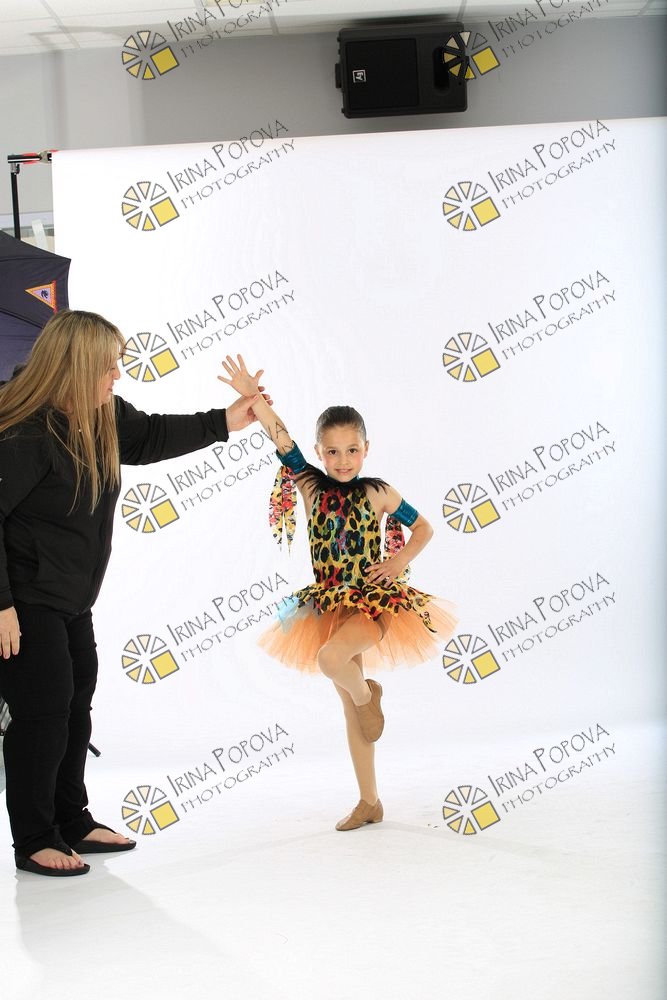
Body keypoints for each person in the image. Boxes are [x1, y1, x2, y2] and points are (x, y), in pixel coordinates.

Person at [0, 311, 266, 877]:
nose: (116, 375)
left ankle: (71, 819)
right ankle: (34, 838)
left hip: (72, 598)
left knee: (75, 707)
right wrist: (1, 606)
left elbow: (151, 437)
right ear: (75, 368)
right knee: (42, 713)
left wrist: (225, 421)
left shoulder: (102, 415)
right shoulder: (25, 432)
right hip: (23, 601)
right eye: (107, 366)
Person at [218, 355, 457, 832]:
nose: (343, 461)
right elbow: (280, 437)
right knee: (350, 709)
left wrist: (398, 563)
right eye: (332, 452)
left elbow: (425, 528)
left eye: (351, 450)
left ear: (366, 449)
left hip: (374, 602)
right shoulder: (309, 484)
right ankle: (370, 801)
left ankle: (370, 695)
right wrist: (254, 399)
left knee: (331, 661)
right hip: (328, 602)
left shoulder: (379, 491)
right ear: (319, 452)